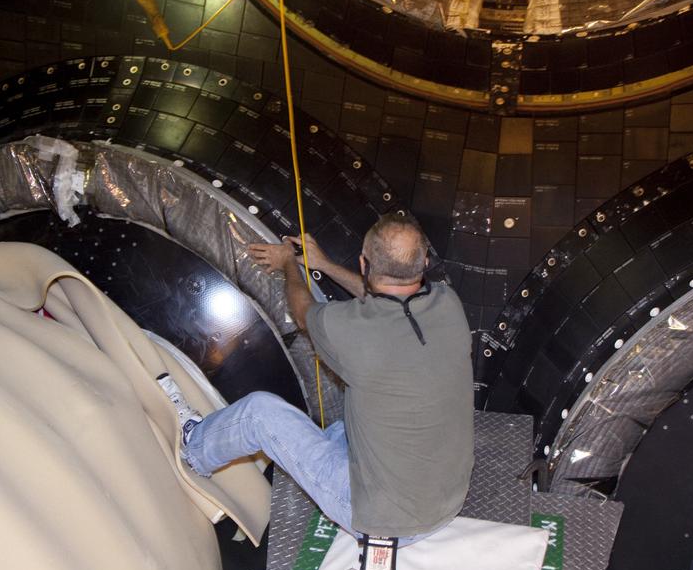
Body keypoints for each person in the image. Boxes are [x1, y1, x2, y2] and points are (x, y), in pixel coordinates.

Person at [164, 212, 474, 547]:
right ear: (425, 263)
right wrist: (323, 265)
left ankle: (193, 449)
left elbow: (303, 313)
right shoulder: (448, 304)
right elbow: (391, 294)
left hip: (384, 521)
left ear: (363, 263)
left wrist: (289, 265)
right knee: (342, 431)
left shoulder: (350, 330)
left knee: (260, 414)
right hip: (445, 500)